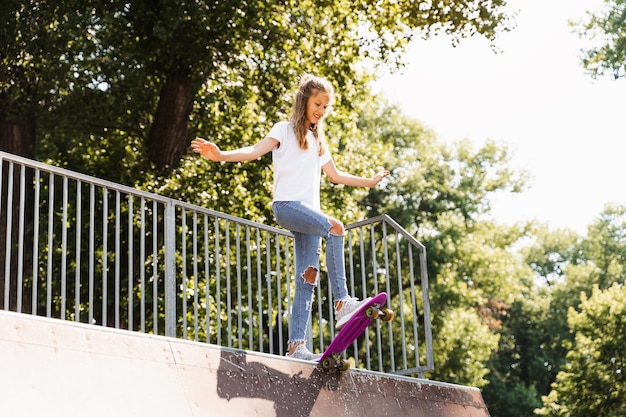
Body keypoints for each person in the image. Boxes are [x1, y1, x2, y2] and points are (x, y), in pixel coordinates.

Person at [191, 73, 390, 361]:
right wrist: (221, 156)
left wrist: (369, 182)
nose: (320, 111)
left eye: (325, 107)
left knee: (307, 278)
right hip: (287, 206)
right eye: (317, 104)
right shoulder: (283, 130)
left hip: (308, 215)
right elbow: (254, 151)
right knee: (336, 227)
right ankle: (342, 302)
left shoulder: (319, 141)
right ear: (305, 100)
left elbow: (335, 176)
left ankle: (297, 346)